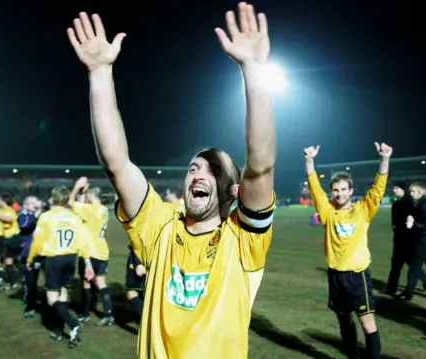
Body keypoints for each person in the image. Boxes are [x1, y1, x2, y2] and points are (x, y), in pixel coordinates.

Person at [66, 3, 276, 358]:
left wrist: (254, 70)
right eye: (194, 167)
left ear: (234, 191)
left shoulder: (242, 242)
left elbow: (260, 165)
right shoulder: (161, 227)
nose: (198, 173)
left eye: (213, 169)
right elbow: (116, 163)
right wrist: (100, 72)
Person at [304, 142, 392, 359]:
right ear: (332, 192)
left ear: (351, 191)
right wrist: (309, 160)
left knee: (367, 322)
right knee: (344, 320)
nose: (339, 193)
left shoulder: (363, 209)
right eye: (335, 190)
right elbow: (314, 187)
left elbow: (379, 187)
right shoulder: (327, 211)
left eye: (343, 189)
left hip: (357, 275)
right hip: (335, 275)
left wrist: (384, 159)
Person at [26, 186, 95, 348]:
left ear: (53, 198)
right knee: (63, 295)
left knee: (51, 299)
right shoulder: (75, 217)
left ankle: (73, 324)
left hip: (54, 259)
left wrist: (30, 259)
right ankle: (59, 331)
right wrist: (88, 264)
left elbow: (37, 242)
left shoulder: (46, 217)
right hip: (71, 259)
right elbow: (84, 242)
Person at [69, 177, 114, 326]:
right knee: (101, 283)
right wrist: (83, 194)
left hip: (89, 252)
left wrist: (76, 188)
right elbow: (83, 209)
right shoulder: (103, 209)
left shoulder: (89, 209)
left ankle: (85, 313)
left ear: (90, 195)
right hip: (102, 251)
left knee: (86, 284)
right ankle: (108, 314)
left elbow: (70, 203)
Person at [384, 182, 426, 296]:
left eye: (396, 188)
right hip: (398, 237)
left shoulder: (408, 202)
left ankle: (392, 289)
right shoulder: (397, 202)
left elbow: (413, 219)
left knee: (399, 264)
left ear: (403, 190)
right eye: (394, 188)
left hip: (406, 238)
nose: (394, 190)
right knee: (404, 263)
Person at [18, 196, 42, 318]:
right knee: (30, 284)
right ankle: (29, 306)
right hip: (29, 255)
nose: (35, 204)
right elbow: (25, 226)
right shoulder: (23, 217)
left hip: (45, 253)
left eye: (36, 202)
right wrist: (36, 216)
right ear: (26, 206)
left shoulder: (45, 215)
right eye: (32, 203)